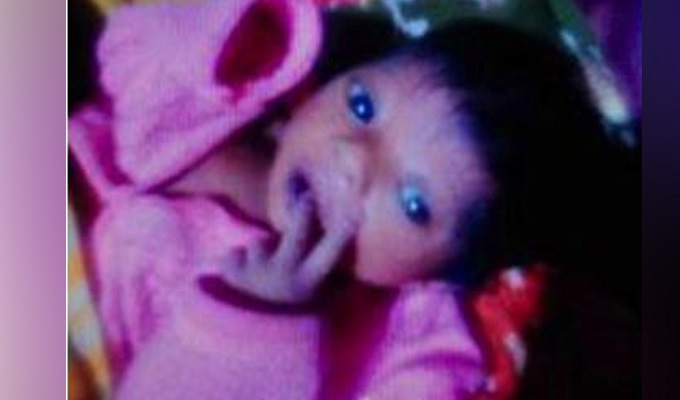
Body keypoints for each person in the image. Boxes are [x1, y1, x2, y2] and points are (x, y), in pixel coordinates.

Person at [70, 1, 618, 398]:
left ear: (451, 274)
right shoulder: (245, 106)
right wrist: (258, 33)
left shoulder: (407, 349)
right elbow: (126, 49)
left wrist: (254, 323)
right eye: (362, 106)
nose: (353, 158)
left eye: (413, 202)